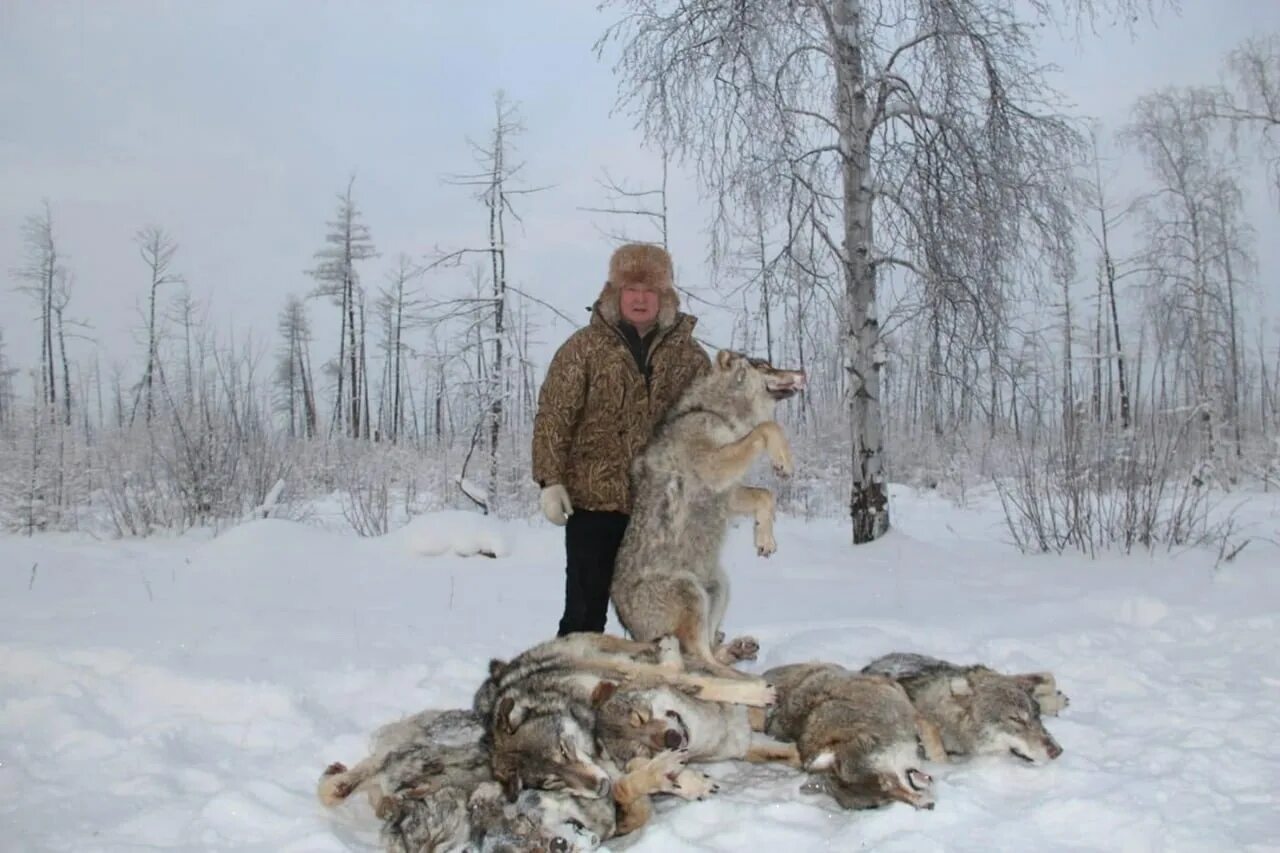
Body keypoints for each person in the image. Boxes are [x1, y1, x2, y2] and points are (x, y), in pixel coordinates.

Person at [532, 243, 711, 637]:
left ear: (665, 297)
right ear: (614, 293)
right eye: (632, 289)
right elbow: (554, 415)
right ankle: (572, 688)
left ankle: (659, 692)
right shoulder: (584, 349)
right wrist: (550, 479)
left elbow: (707, 425)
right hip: (594, 505)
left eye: (650, 290)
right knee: (583, 616)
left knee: (661, 618)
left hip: (662, 510)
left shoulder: (691, 357)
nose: (641, 298)